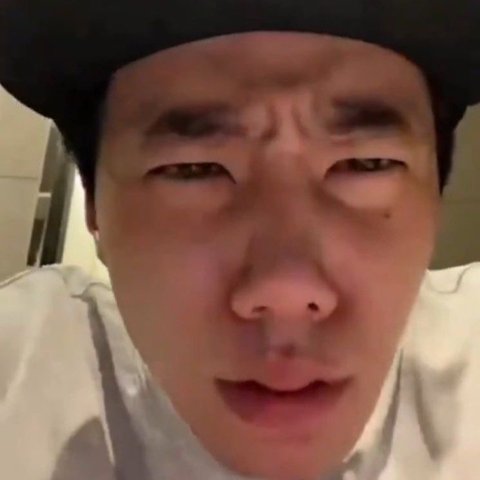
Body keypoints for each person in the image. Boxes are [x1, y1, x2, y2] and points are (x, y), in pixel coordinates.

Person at [0, 1, 479, 479]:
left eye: (367, 164)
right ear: (95, 209)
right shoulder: (19, 383)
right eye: (192, 169)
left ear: (435, 199)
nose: (287, 291)